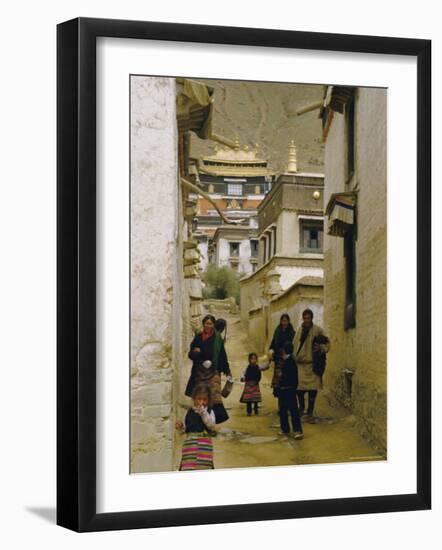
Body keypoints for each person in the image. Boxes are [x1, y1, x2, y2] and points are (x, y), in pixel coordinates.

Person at [185, 314, 232, 424]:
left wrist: (227, 369)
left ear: (213, 325)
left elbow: (222, 355)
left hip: (213, 372)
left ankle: (212, 422)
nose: (208, 326)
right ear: (203, 324)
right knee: (200, 397)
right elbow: (190, 355)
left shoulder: (217, 339)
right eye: (207, 323)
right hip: (199, 372)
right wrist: (195, 352)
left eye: (211, 324)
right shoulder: (198, 337)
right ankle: (199, 423)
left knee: (214, 397)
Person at [293, 309, 330, 422]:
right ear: (303, 318)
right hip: (301, 366)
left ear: (312, 318)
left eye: (309, 318)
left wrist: (321, 348)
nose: (307, 320)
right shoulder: (299, 331)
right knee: (299, 390)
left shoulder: (318, 330)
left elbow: (327, 343)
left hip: (313, 365)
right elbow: (295, 346)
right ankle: (301, 409)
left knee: (313, 390)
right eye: (305, 318)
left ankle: (310, 412)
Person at [176, 384, 216, 471]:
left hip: (204, 446)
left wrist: (203, 414)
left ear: (208, 400)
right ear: (194, 399)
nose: (201, 402)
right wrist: (181, 427)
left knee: (204, 466)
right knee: (188, 466)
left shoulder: (209, 412)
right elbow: (186, 429)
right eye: (199, 399)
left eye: (205, 399)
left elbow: (211, 425)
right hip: (190, 445)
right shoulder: (189, 412)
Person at [277, 341, 303, 439]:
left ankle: (294, 430)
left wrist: (281, 377)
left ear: (283, 350)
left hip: (287, 389)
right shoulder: (290, 360)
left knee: (289, 410)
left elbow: (288, 376)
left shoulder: (289, 362)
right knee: (288, 410)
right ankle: (289, 430)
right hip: (289, 389)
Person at [268, 314, 295, 398]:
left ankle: (288, 403)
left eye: (286, 320)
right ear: (280, 321)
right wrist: (271, 351)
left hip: (288, 360)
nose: (284, 322)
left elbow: (294, 345)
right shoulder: (277, 331)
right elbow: (272, 344)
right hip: (278, 360)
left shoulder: (292, 333)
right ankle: (281, 405)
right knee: (279, 383)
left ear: (288, 321)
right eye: (283, 320)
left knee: (287, 381)